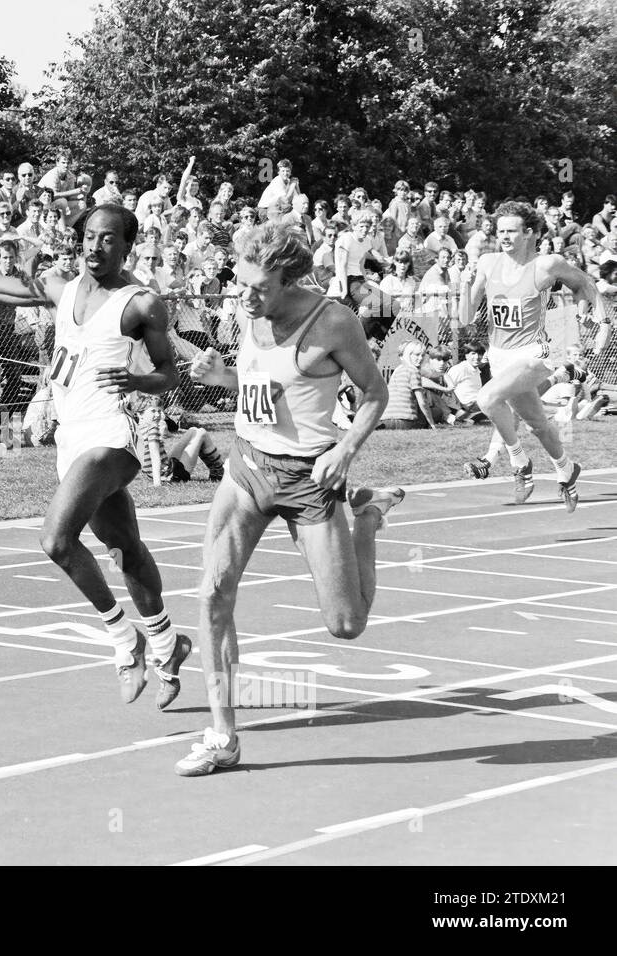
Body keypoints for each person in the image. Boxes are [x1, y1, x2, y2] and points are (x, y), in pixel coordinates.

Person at [179, 223, 403, 776]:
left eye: (259, 287)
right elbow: (265, 388)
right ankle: (223, 736)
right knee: (211, 593)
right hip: (248, 466)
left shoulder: (332, 321)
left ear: (289, 279)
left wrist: (346, 451)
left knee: (346, 624)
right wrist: (223, 377)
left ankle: (367, 518)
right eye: (242, 283)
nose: (246, 296)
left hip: (310, 478)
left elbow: (376, 392)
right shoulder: (245, 310)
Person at [0, 199, 190, 708]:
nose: (94, 247)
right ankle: (169, 645)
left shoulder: (141, 304)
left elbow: (170, 374)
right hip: (71, 435)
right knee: (124, 546)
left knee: (57, 540)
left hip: (113, 433)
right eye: (88, 238)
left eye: (108, 239)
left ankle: (127, 644)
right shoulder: (59, 288)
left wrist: (137, 379)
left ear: (127, 245)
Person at [459, 202, 597, 510]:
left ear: (529, 233)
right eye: (501, 231)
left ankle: (520, 464)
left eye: (511, 231)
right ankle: (566, 469)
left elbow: (582, 282)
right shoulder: (487, 262)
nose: (504, 236)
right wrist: (464, 286)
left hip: (535, 353)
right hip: (499, 356)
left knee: (487, 399)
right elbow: (466, 317)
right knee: (537, 423)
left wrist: (589, 311)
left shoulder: (546, 264)